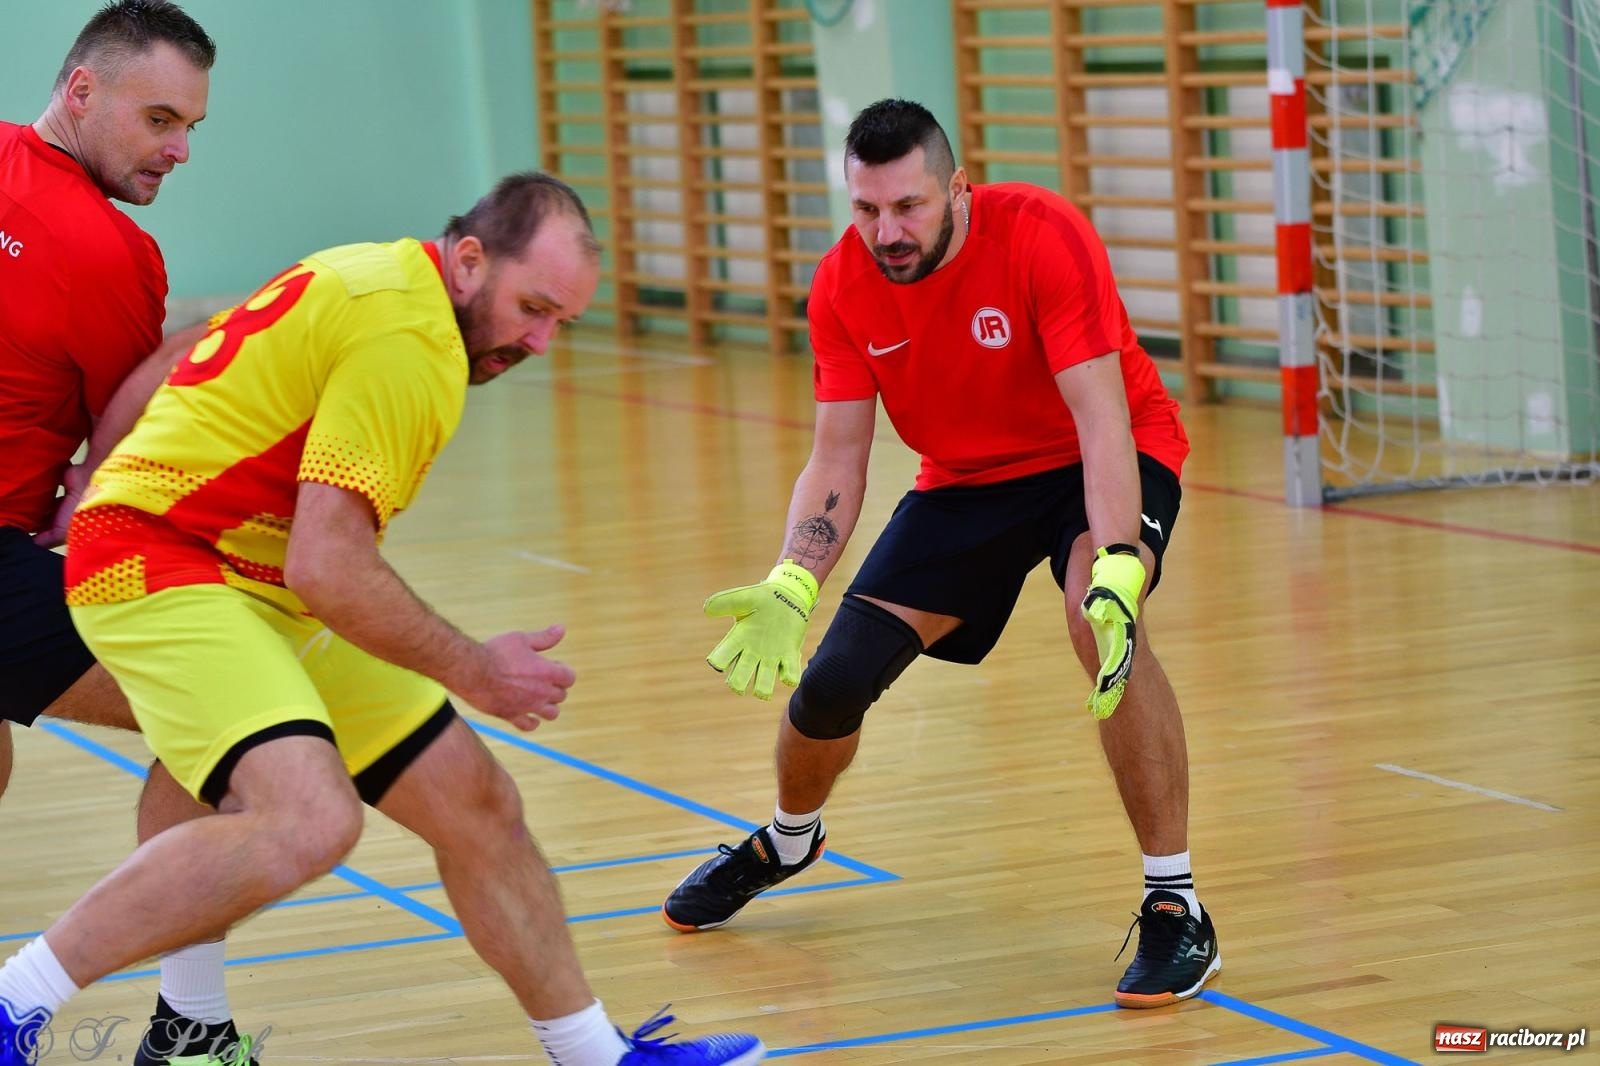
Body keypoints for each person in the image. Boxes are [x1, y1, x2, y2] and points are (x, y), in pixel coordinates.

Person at [0, 171, 765, 1066]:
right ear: (471, 260)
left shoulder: (382, 272)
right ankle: (17, 1004)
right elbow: (328, 564)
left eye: (563, 321)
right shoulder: (413, 339)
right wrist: (476, 667)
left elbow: (190, 348)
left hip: (249, 577)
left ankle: (594, 1056)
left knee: (474, 800)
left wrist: (100, 465)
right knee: (309, 818)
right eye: (534, 308)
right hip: (160, 558)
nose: (542, 341)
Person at [661, 98, 1221, 1010]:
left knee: (1101, 626)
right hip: (963, 480)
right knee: (832, 682)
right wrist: (793, 577)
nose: (887, 231)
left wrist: (1119, 559)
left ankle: (1175, 904)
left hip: (1098, 452)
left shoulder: (1042, 234)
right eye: (866, 209)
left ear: (958, 187)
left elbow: (1101, 415)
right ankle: (789, 838)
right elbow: (839, 455)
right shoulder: (843, 285)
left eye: (909, 207)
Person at [0, 3, 258, 1060]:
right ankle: (191, 1026)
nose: (180, 149)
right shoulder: (111, 253)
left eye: (191, 124)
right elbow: (138, 464)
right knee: (234, 719)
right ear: (81, 90)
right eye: (159, 119)